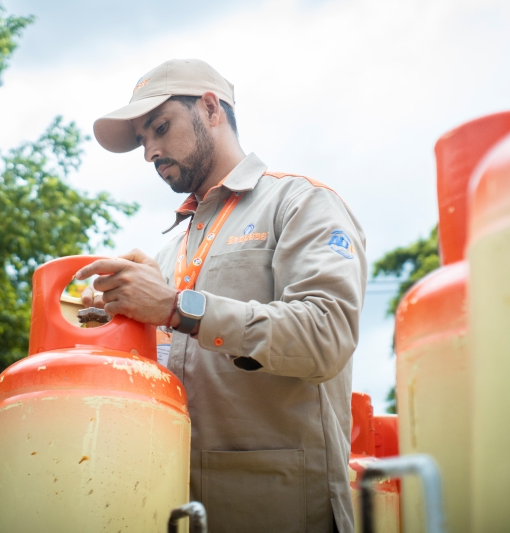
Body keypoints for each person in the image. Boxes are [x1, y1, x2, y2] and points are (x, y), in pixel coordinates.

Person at [76, 58, 367, 533]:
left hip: (283, 512)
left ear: (211, 108)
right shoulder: (170, 251)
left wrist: (175, 307)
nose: (149, 151)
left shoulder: (300, 203)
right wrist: (121, 327)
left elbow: (325, 338)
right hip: (176, 512)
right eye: (141, 142)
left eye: (160, 128)